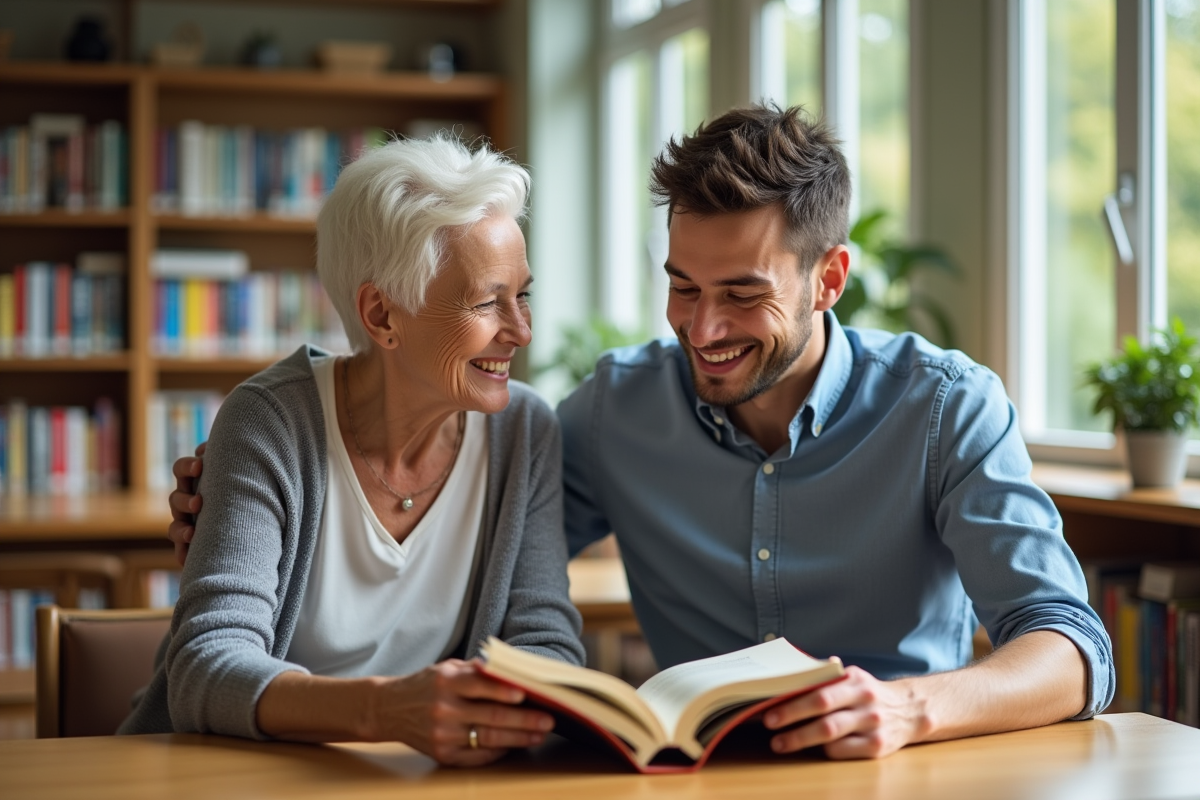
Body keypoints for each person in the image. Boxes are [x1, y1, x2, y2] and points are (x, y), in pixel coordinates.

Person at [168, 106, 1114, 761]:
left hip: (897, 768)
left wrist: (904, 708)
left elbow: (1070, 644)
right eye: (683, 287)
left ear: (829, 281)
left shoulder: (947, 407)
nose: (702, 331)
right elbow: (479, 546)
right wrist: (239, 516)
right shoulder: (608, 412)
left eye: (743, 295)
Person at [121, 136, 584, 768]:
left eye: (522, 295)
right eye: (486, 301)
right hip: (244, 774)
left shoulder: (526, 430)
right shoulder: (270, 423)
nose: (521, 331)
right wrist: (388, 710)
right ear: (381, 314)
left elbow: (547, 643)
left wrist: (467, 721)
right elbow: (207, 668)